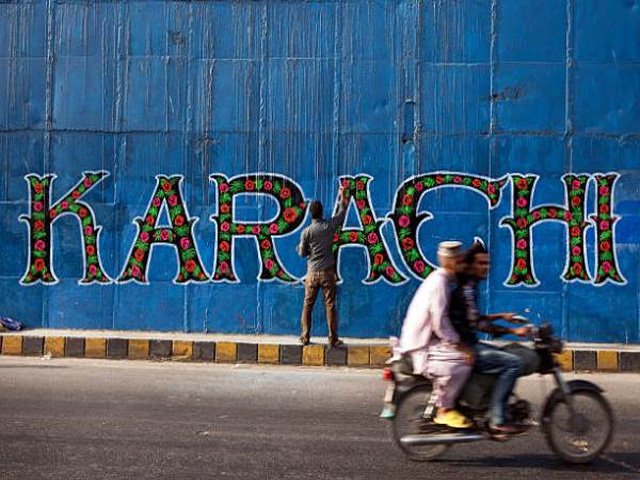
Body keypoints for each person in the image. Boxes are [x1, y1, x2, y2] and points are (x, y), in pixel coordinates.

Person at [449, 240, 531, 434]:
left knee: (504, 354)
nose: (486, 267)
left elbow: (474, 318)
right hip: (466, 347)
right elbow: (479, 324)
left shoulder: (469, 286)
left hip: (469, 343)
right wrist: (513, 332)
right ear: (471, 265)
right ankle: (497, 418)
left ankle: (490, 404)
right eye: (481, 263)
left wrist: (502, 316)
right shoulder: (467, 290)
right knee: (513, 363)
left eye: (487, 263)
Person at [398, 241, 474, 429]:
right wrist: (458, 344)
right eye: (457, 259)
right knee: (463, 361)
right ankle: (445, 410)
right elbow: (440, 321)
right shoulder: (440, 283)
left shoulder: (441, 279)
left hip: (423, 339)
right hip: (420, 344)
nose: (460, 262)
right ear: (450, 261)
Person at [297, 186, 349, 347]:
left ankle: (305, 337)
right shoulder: (329, 227)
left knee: (307, 305)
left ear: (311, 214)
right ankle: (332, 338)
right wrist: (342, 195)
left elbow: (302, 253)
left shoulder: (307, 232)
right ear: (321, 212)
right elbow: (341, 215)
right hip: (327, 273)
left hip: (312, 273)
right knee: (330, 305)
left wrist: (299, 248)